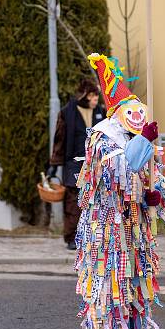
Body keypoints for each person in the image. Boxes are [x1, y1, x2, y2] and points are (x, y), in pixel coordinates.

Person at [75, 54, 165, 329]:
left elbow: (151, 175)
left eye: (139, 111)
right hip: (107, 232)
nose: (136, 116)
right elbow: (120, 172)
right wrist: (145, 141)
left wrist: (154, 193)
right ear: (117, 113)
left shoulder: (137, 136)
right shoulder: (102, 138)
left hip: (135, 233)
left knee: (133, 291)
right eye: (129, 111)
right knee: (105, 292)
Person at [49, 78, 105, 250]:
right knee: (74, 200)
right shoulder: (67, 113)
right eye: (94, 96)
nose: (96, 99)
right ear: (85, 96)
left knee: (97, 200)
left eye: (97, 96)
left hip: (96, 162)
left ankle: (94, 236)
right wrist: (54, 164)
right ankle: (72, 237)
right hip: (74, 163)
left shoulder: (101, 112)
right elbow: (60, 139)